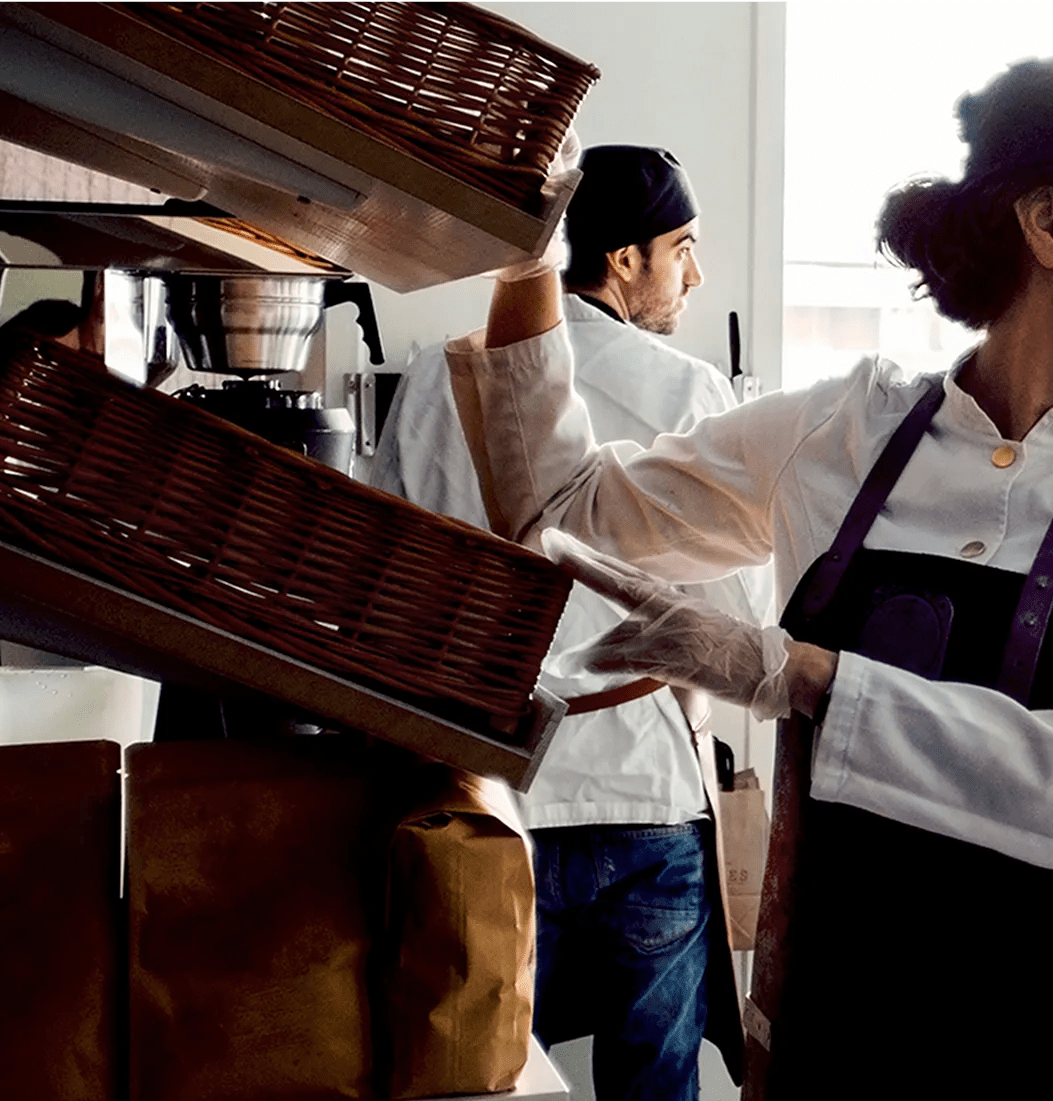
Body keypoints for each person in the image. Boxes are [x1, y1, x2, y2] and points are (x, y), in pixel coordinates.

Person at [452, 53, 1053, 1099]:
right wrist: (523, 260)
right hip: (854, 1039)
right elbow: (562, 509)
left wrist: (795, 676)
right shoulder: (841, 431)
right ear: (1049, 225)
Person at [371, 145, 772, 1101]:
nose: (696, 274)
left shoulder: (442, 374)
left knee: (496, 1076)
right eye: (683, 247)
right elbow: (748, 614)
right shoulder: (694, 394)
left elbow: (397, 572)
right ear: (623, 260)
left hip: (496, 791)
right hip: (650, 799)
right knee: (656, 1087)